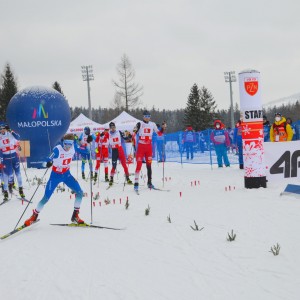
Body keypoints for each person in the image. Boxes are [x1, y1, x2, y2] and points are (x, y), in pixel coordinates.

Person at [24, 134, 90, 226]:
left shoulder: (73, 147)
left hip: (67, 175)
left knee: (79, 193)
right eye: (66, 144)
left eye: (69, 145)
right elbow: (46, 160)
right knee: (46, 198)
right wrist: (47, 163)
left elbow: (85, 151)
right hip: (55, 176)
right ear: (63, 143)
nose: (68, 147)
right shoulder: (57, 149)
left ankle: (75, 216)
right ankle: (34, 216)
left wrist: (88, 143)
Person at [133, 111, 167, 191]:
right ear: (143, 117)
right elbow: (134, 132)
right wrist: (132, 134)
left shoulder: (153, 124)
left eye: (149, 116)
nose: (147, 117)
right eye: (146, 116)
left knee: (149, 165)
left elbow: (159, 133)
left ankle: (149, 182)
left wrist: (163, 128)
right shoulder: (140, 124)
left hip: (148, 147)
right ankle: (136, 183)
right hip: (141, 147)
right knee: (139, 165)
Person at [0, 123, 25, 201]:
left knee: (18, 174)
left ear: (6, 128)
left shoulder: (11, 133)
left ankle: (21, 191)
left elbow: (18, 137)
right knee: (7, 175)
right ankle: (6, 193)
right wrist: (1, 158)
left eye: (3, 128)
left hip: (14, 157)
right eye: (0, 129)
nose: (2, 130)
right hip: (6, 158)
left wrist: (10, 130)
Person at [107, 122, 132, 186]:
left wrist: (129, 137)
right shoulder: (108, 134)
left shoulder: (119, 132)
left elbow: (125, 138)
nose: (113, 129)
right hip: (114, 151)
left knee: (124, 164)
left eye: (114, 127)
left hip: (120, 149)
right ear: (110, 128)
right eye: (111, 127)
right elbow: (102, 137)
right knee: (114, 166)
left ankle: (127, 178)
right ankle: (111, 179)